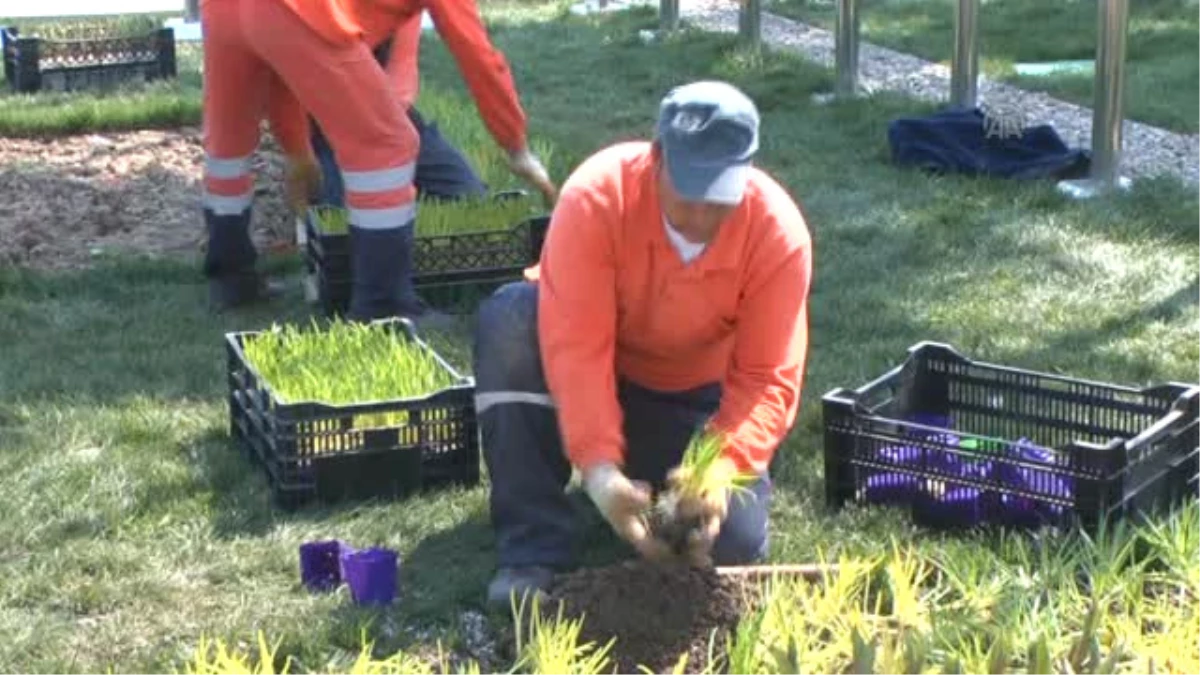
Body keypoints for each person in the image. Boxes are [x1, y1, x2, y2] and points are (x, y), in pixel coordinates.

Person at [472, 80, 814, 607]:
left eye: (718, 199)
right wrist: (600, 470)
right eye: (688, 194)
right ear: (656, 158)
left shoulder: (777, 233)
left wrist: (722, 467)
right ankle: (532, 547)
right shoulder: (596, 197)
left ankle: (658, 482)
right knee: (510, 325)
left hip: (690, 391)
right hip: (596, 371)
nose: (701, 218)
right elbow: (577, 348)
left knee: (734, 544)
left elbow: (768, 377)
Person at [199, 0, 555, 324]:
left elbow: (283, 67)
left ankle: (231, 279)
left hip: (224, 11)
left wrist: (298, 153)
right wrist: (515, 146)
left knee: (228, 146)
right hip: (300, 11)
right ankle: (384, 306)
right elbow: (476, 53)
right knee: (388, 146)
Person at [309, 14, 491, 207]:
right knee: (337, 214)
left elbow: (402, 75)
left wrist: (393, 151)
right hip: (328, 129)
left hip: (394, 119)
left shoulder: (403, 6)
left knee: (470, 197)